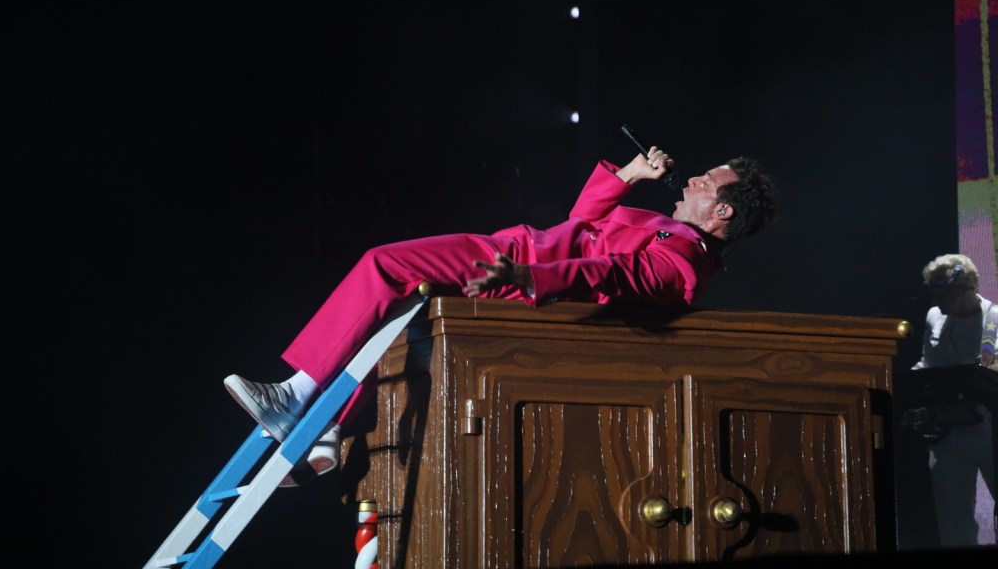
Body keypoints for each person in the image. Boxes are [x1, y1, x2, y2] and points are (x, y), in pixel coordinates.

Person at [224, 147, 778, 483]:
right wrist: (629, 175)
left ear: (722, 209)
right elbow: (582, 221)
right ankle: (327, 430)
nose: (691, 180)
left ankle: (296, 394)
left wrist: (528, 277)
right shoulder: (670, 230)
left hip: (516, 269)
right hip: (519, 257)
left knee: (384, 265)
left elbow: (606, 274)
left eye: (706, 182)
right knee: (390, 314)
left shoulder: (684, 263)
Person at [910, 253, 997, 547]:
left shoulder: (994, 320)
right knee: (952, 521)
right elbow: (927, 363)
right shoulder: (934, 317)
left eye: (940, 292)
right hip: (946, 434)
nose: (935, 299)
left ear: (963, 289)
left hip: (989, 432)